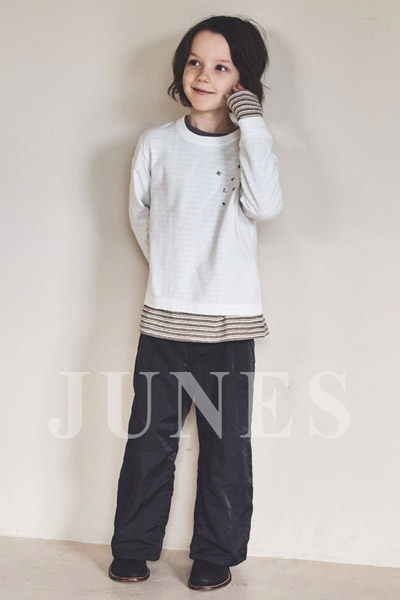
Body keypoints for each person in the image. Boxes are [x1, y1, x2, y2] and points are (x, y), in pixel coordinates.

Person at [109, 14, 283, 592]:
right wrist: (173, 269)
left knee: (225, 448)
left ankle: (216, 555)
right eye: (194, 62)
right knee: (148, 441)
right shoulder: (156, 143)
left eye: (221, 66)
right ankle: (133, 547)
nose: (203, 75)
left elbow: (266, 205)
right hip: (164, 321)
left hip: (229, 328)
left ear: (243, 79)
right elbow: (141, 216)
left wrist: (252, 124)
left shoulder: (251, 146)